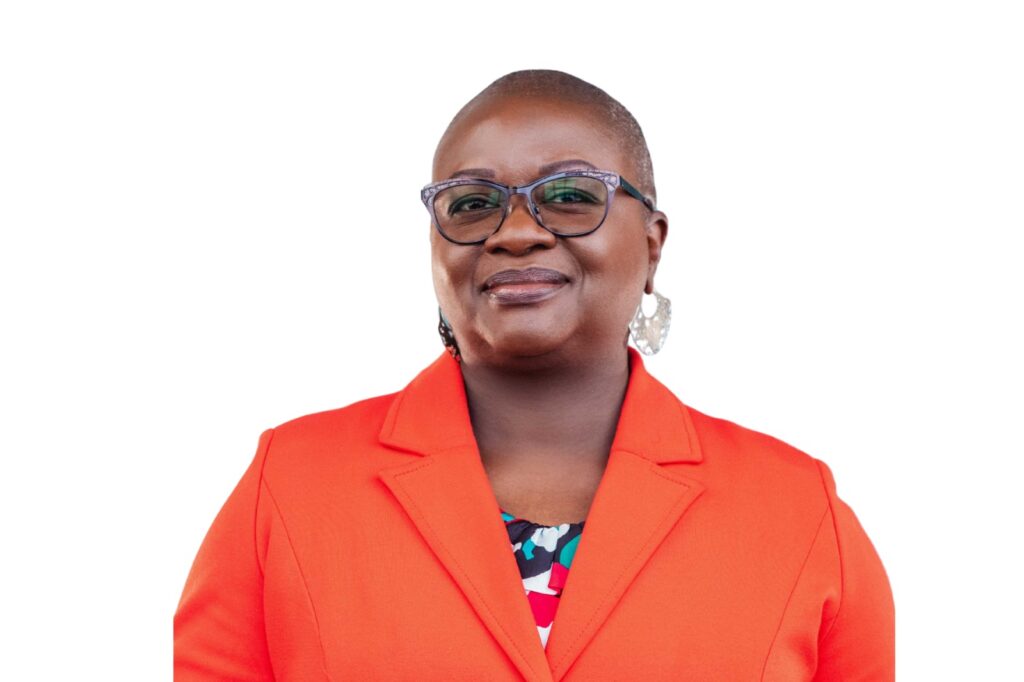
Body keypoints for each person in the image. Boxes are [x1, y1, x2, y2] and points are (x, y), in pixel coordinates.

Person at [174, 70, 895, 681]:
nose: (516, 232)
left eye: (571, 195)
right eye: (471, 204)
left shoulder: (799, 511)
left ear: (652, 245)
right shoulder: (290, 484)